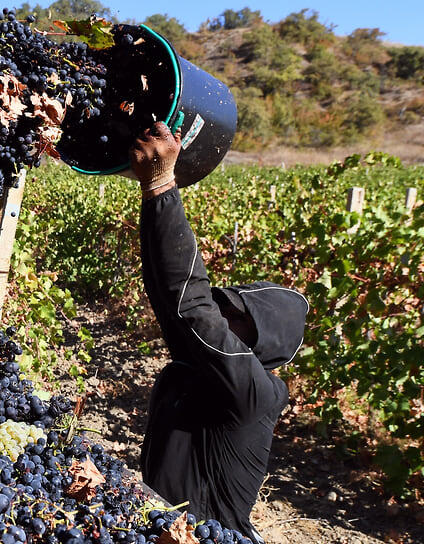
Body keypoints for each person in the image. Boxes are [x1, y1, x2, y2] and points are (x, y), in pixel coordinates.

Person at [129, 122, 309, 544]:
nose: (222, 317)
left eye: (236, 316)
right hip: (166, 528)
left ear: (262, 343)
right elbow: (168, 295)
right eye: (224, 307)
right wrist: (152, 194)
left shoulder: (252, 393)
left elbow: (193, 308)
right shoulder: (205, 368)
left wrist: (164, 185)